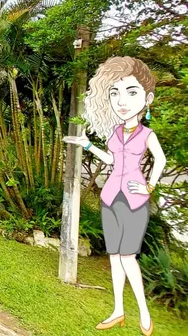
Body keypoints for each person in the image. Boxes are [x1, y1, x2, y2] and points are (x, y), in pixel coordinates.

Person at [63, 56, 165, 336]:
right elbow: (110, 160)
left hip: (134, 200)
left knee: (128, 257)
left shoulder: (147, 134)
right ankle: (118, 309)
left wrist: (149, 187)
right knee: (114, 256)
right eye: (115, 93)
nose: (122, 101)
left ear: (148, 98)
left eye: (131, 92)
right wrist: (87, 145)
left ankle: (144, 313)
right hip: (111, 198)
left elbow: (161, 160)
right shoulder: (115, 132)